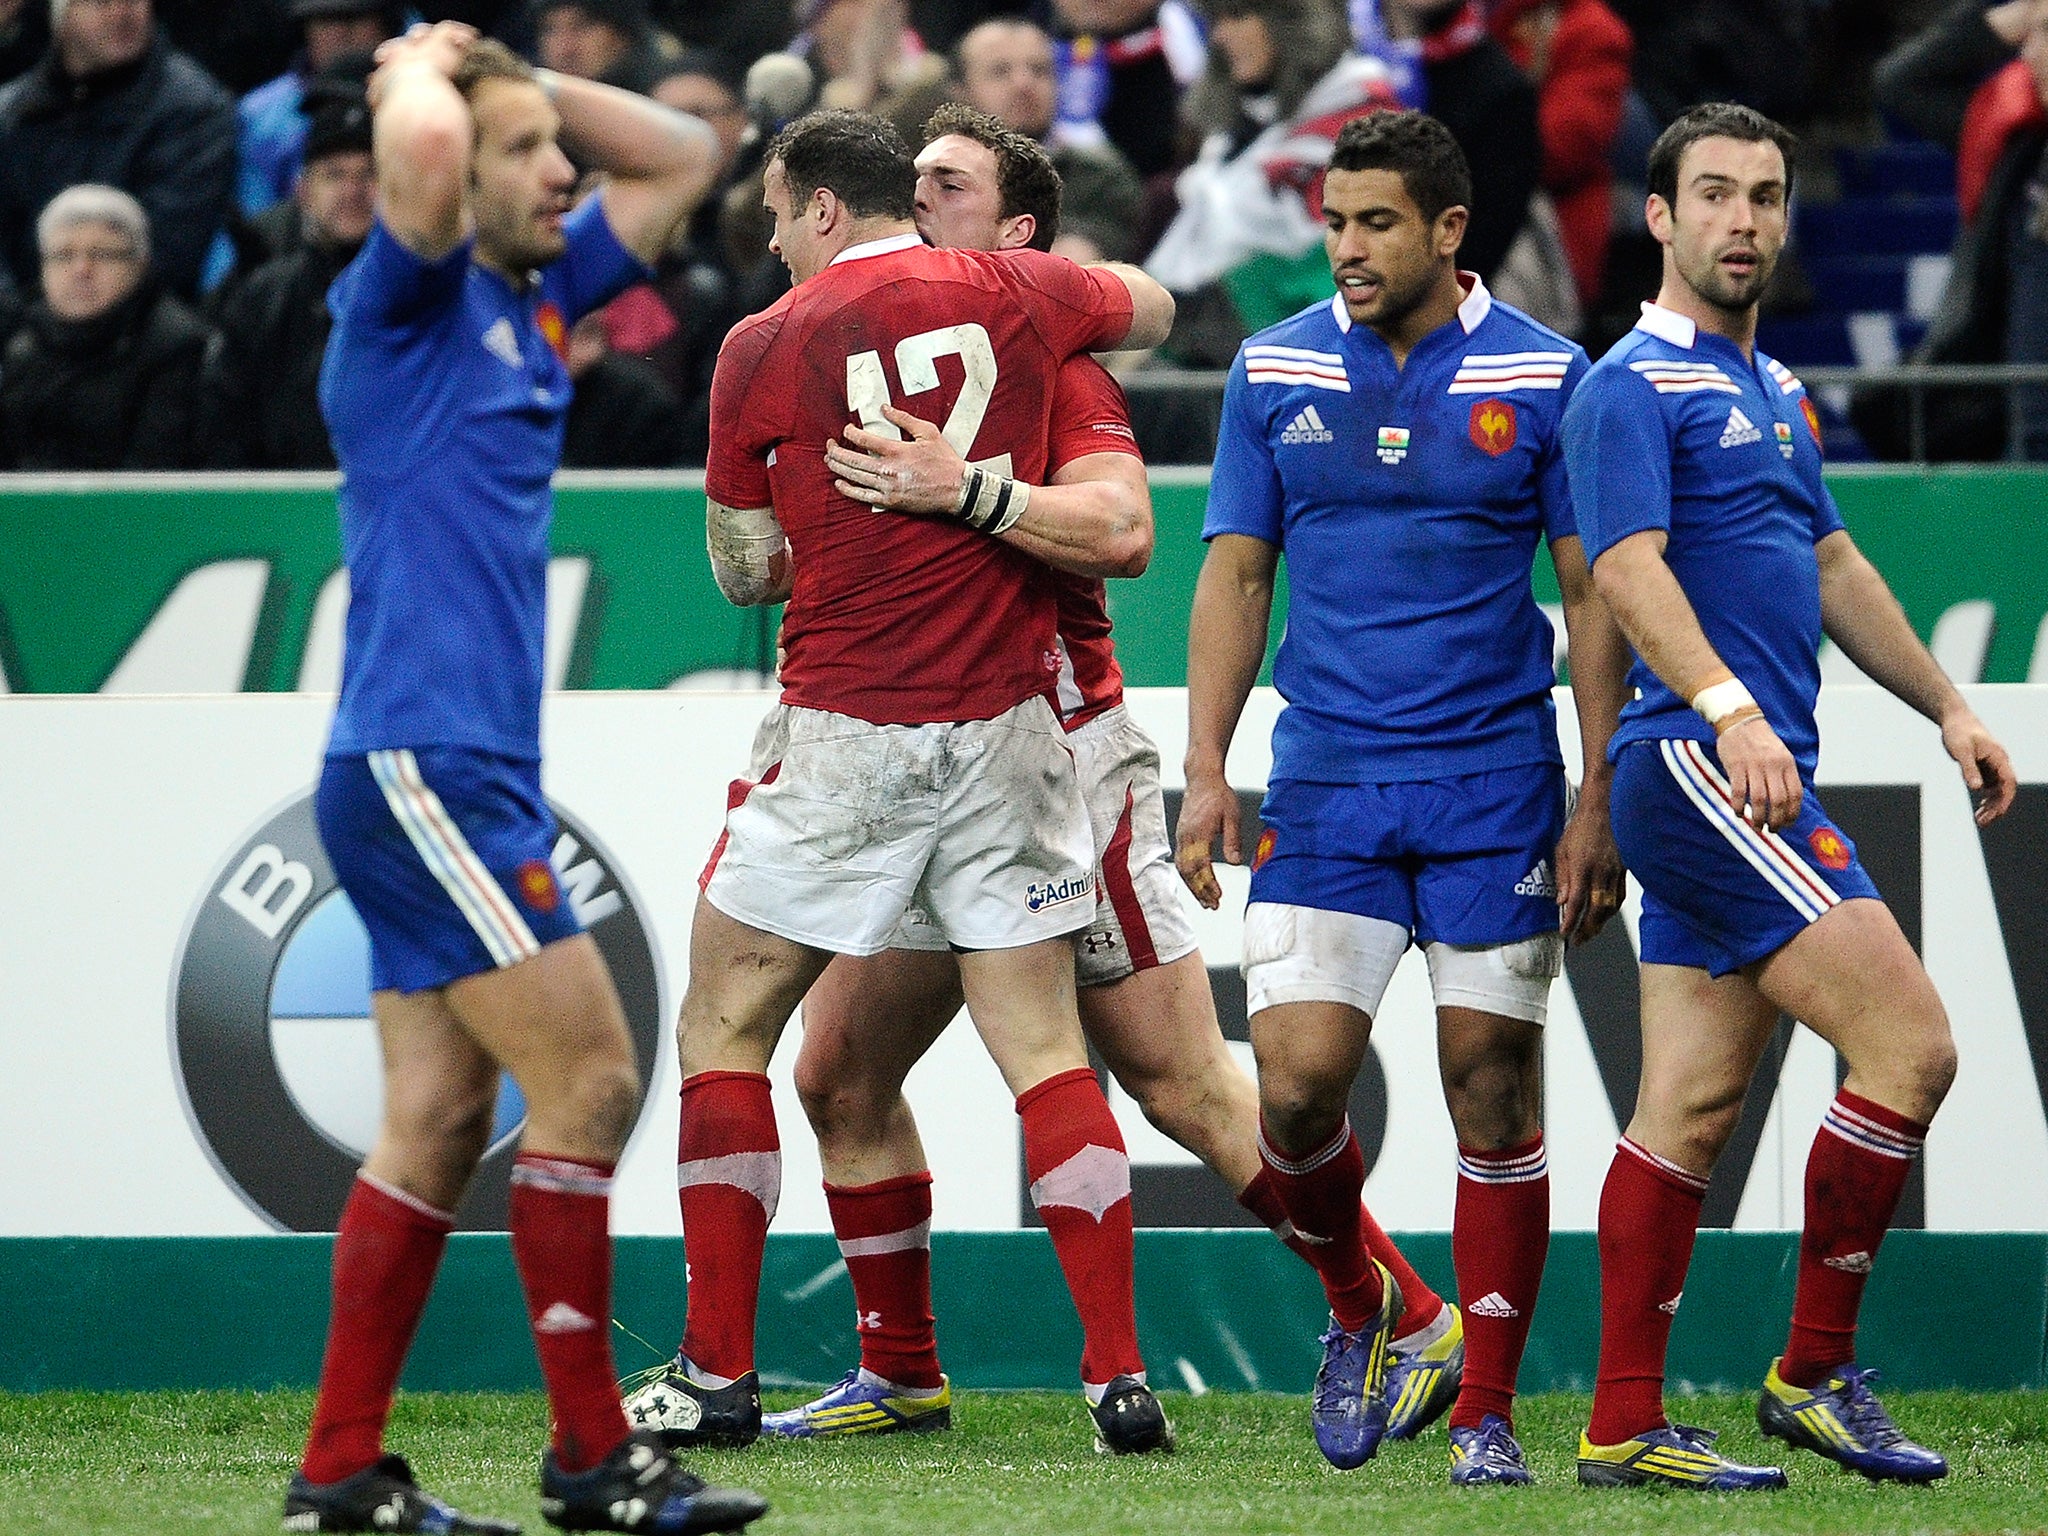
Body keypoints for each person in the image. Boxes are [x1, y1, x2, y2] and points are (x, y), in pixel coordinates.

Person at [710, 99, 1463, 1449]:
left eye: (947, 186)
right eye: (911, 182)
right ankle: (902, 1372)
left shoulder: (1045, 352)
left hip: (1060, 759)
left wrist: (969, 492)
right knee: (836, 1075)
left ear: (1018, 235)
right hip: (943, 764)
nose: (917, 205)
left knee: (1183, 1085)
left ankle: (1402, 1311)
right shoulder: (873, 352)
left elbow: (1122, 527)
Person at [620, 107, 1179, 1457]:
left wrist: (841, 524)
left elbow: (744, 570)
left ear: (821, 211)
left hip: (850, 728)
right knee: (1045, 1053)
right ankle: (1117, 1375)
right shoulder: (1017, 288)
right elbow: (1153, 307)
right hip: (1009, 726)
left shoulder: (762, 343)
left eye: (771, 214)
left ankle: (716, 1367)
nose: (764, 240)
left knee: (725, 1028)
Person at [293, 22, 765, 1533]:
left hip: (446, 763)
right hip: (429, 765)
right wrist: (416, 64)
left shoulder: (529, 290)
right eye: (526, 155)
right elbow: (425, 153)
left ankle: (339, 1476)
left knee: (435, 1120)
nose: (562, 169)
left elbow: (686, 154)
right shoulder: (406, 299)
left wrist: (521, 85)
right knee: (597, 1078)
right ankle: (587, 1459)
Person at [1562, 101, 2017, 1491]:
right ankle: (1812, 1372)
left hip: (1734, 767)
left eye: (1766, 196)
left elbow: (1830, 566)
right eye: (1715, 195)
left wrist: (1947, 704)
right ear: (1662, 216)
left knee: (1688, 1111)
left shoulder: (1775, 391)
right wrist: (1730, 706)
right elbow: (1624, 572)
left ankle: (1622, 1424)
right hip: (1704, 768)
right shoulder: (1628, 383)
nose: (1744, 220)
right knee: (1915, 1047)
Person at [1179, 108, 1630, 1483]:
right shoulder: (1271, 367)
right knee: (1299, 1095)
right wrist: (1207, 767)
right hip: (1326, 779)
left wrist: (1596, 791)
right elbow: (1236, 574)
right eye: (1333, 222)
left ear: (1448, 230)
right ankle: (1364, 1307)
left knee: (1489, 1085)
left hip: (1496, 783)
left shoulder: (1555, 378)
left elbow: (1596, 588)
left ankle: (1487, 1412)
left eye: (1376, 223)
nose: (1348, 248)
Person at [0, 0, 236, 301]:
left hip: (137, 331)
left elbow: (167, 252)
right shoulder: (13, 114)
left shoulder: (193, 110)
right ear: (60, 15)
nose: (121, 13)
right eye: (102, 2)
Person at [0, 183, 224, 470]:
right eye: (63, 256)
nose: (81, 270)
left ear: (140, 264)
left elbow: (155, 473)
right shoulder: (23, 344)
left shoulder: (179, 347)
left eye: (102, 254)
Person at [207, 93, 377, 468]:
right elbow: (225, 424)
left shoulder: (429, 291)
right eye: (334, 174)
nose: (352, 192)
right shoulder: (261, 297)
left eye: (369, 174)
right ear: (303, 192)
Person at [952, 16, 1145, 262]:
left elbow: (1080, 265)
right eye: (1000, 71)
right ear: (959, 92)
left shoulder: (1099, 176)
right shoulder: (924, 180)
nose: (1024, 83)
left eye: (1039, 70)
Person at [237, 0, 400, 219]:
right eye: (327, 20)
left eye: (355, 19)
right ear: (306, 29)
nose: (341, 33)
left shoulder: (423, 103)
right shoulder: (260, 114)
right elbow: (253, 216)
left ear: (385, 25)